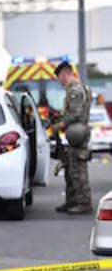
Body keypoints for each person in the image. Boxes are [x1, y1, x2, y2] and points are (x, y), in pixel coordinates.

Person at [50, 61, 93, 214]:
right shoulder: (77, 89)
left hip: (77, 133)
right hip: (75, 134)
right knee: (70, 168)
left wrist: (60, 124)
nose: (60, 81)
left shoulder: (75, 90)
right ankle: (72, 201)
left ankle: (83, 202)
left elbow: (75, 114)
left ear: (65, 74)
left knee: (78, 170)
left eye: (60, 77)